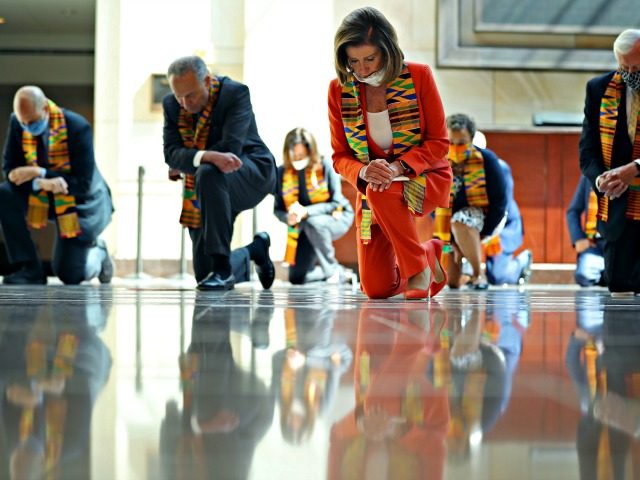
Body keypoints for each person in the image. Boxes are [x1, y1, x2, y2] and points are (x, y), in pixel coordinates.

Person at [328, 6, 452, 300]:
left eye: (370, 59)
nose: (362, 69)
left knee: (380, 191)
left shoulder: (419, 76)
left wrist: (398, 168)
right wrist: (362, 170)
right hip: (372, 186)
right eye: (353, 61)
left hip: (424, 176)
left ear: (387, 50)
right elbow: (339, 156)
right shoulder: (338, 90)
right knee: (376, 289)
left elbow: (439, 143)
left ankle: (417, 271)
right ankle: (425, 254)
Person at [163, 56, 276, 291]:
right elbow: (170, 153)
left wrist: (191, 159)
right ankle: (254, 251)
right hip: (208, 184)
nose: (185, 103)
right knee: (205, 274)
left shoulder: (235, 94)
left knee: (209, 171)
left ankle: (224, 269)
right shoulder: (171, 106)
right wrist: (202, 157)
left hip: (249, 172)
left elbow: (230, 149)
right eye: (178, 96)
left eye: (191, 95)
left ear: (206, 80)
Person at [0, 86, 113, 285]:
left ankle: (99, 254)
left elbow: (83, 183)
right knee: (4, 194)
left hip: (80, 202)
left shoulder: (77, 127)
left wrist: (39, 172)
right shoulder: (18, 122)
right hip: (43, 194)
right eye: (23, 122)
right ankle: (30, 268)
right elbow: (10, 168)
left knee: (70, 274)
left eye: (32, 122)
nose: (27, 127)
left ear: (45, 107)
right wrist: (40, 181)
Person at [579, 29, 640, 294]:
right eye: (625, 68)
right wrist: (600, 178)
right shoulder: (599, 89)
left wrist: (636, 169)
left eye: (637, 67)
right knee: (619, 295)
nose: (631, 74)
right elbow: (587, 151)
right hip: (617, 211)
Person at [434, 113, 508, 290]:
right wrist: (453, 241)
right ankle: (465, 270)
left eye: (461, 143)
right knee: (451, 282)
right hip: (448, 227)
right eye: (451, 143)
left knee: (461, 221)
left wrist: (483, 234)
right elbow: (433, 202)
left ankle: (478, 274)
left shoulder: (487, 160)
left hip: (484, 218)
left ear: (472, 139)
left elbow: (499, 203)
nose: (456, 148)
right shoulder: (439, 162)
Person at [274, 127, 354, 284]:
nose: (298, 159)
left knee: (313, 222)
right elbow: (277, 209)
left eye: (302, 155)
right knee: (296, 278)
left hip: (337, 216)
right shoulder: (281, 172)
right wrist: (287, 218)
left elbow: (336, 202)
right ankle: (339, 272)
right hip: (303, 225)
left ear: (310, 152)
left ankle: (331, 268)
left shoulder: (323, 165)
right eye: (294, 156)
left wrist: (306, 212)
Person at [484, 159, 533, 285]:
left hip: (502, 225)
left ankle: (522, 262)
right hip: (475, 223)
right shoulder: (455, 165)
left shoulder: (499, 167)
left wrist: (489, 232)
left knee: (497, 277)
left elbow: (503, 205)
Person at [566, 175, 606, 287]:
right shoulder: (589, 175)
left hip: (620, 244)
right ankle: (607, 275)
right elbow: (573, 211)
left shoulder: (628, 173)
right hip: (595, 243)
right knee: (584, 274)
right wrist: (578, 238)